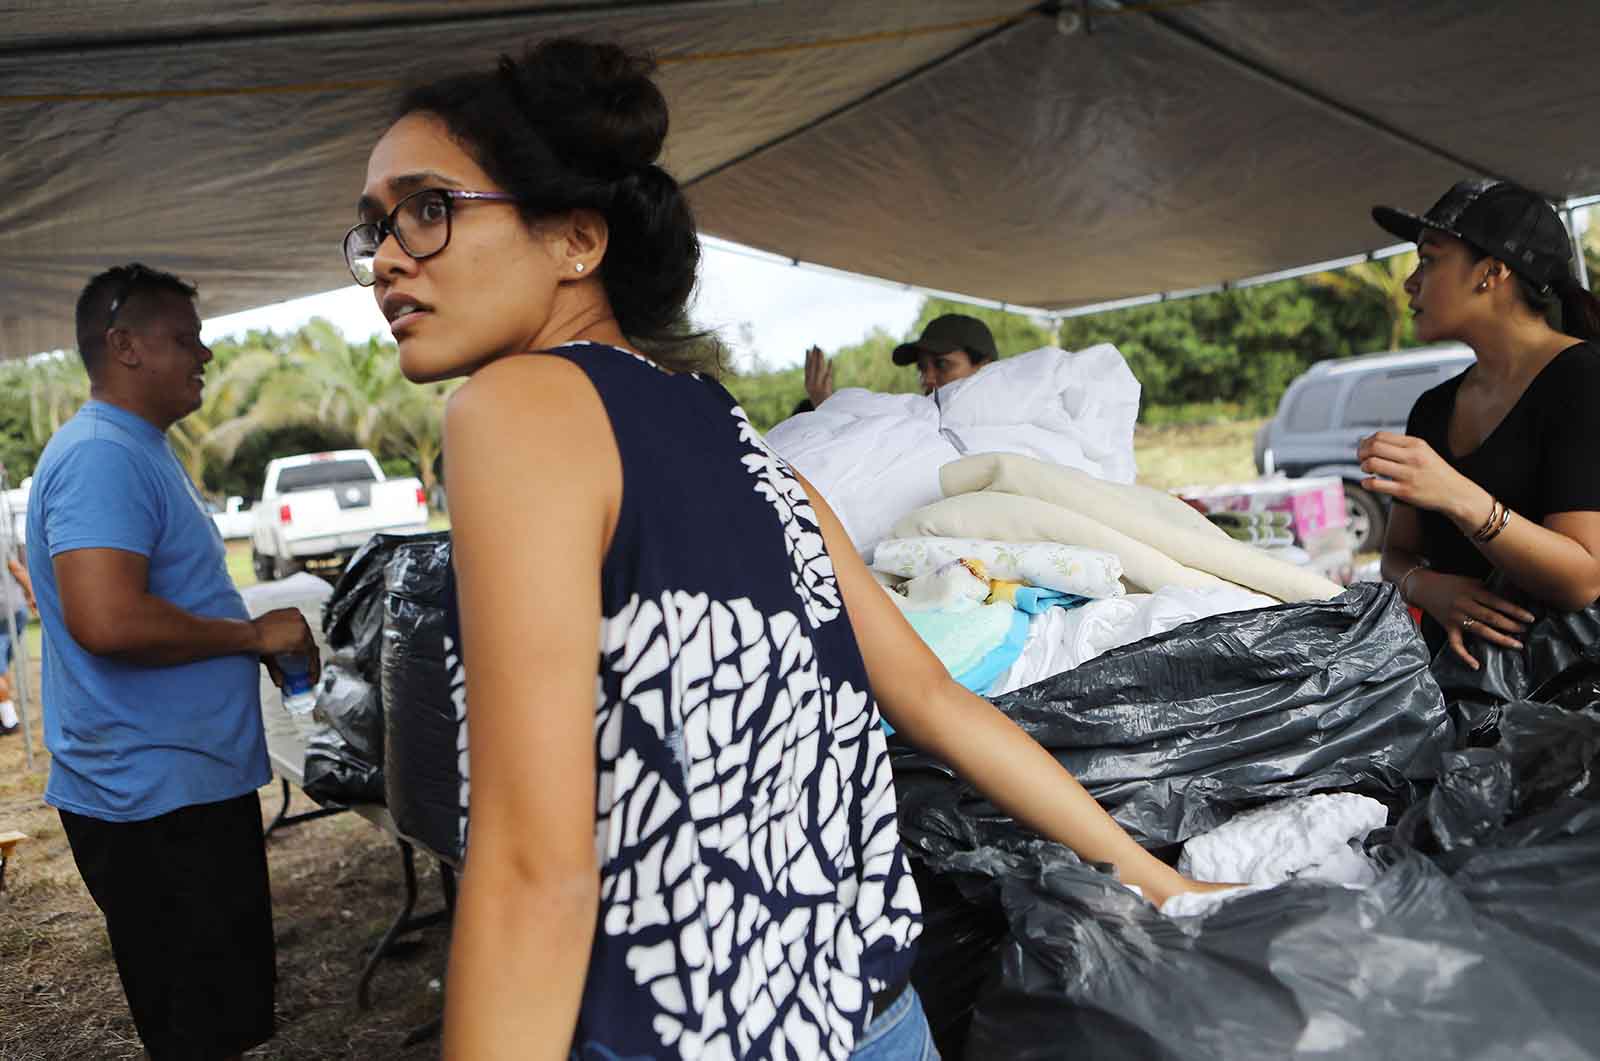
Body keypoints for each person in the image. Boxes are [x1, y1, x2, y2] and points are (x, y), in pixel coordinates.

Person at [347, 38, 1223, 1061]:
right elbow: (939, 704)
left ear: (576, 237)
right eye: (371, 228)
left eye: (427, 207)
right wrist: (1155, 876)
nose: (389, 257)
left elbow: (536, 862)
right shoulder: (745, 449)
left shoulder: (514, 407)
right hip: (880, 1022)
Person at [26, 263, 321, 1060]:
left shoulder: (133, 447)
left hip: (174, 786)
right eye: (185, 337)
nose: (207, 353)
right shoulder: (101, 455)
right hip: (153, 799)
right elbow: (107, 616)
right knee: (198, 1032)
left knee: (214, 1025)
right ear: (123, 345)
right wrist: (253, 637)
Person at [1363, 179, 1600, 666]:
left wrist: (1458, 495)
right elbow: (1395, 557)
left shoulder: (1583, 380)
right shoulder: (1432, 408)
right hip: (1460, 695)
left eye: (1428, 260)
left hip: (1565, 698)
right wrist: (1430, 588)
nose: (1410, 282)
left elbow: (1581, 579)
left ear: (1491, 272)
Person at [803, 314, 999, 408]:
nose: (927, 378)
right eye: (922, 368)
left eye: (942, 364)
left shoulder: (1013, 431)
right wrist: (824, 404)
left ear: (984, 367)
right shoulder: (921, 428)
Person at [0, 547, 34, 735]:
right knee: (2, 667)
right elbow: (18, 570)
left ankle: (10, 721)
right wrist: (32, 593)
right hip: (16, 610)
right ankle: (5, 712)